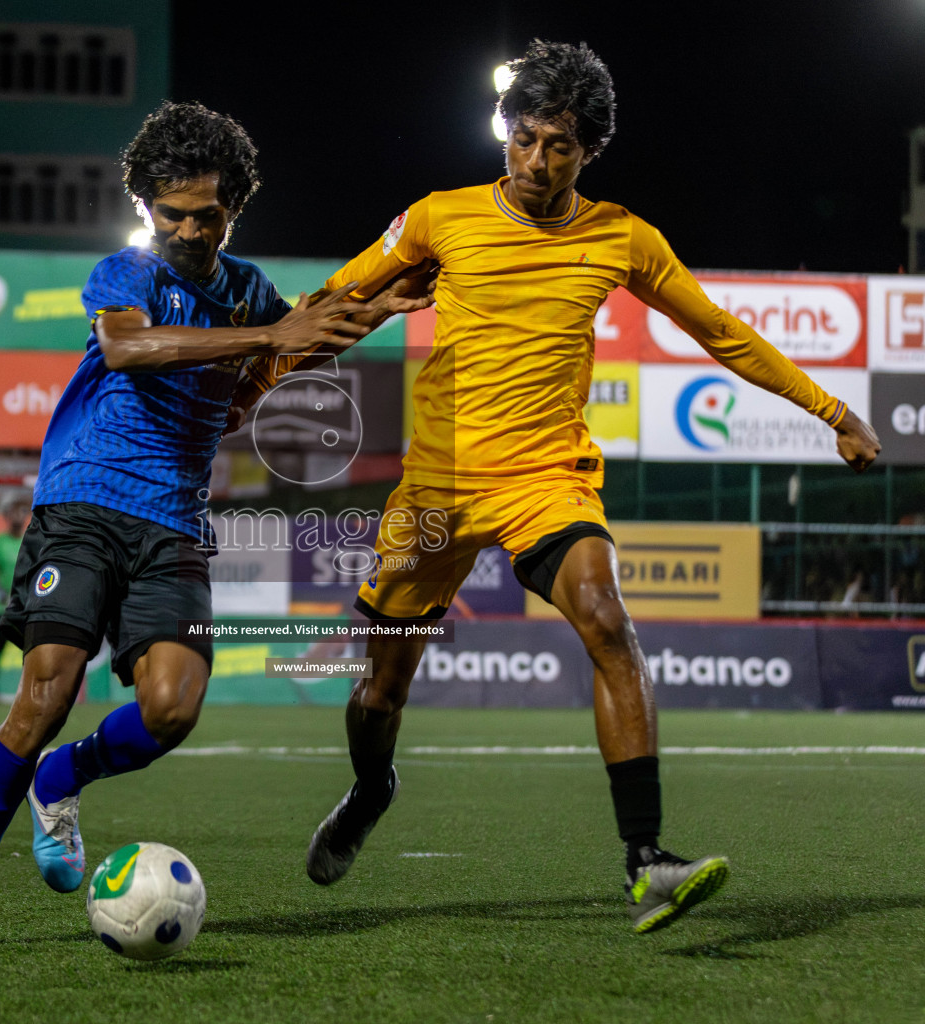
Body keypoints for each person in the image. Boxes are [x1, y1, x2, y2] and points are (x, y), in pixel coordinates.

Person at [245, 40, 881, 934]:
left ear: (588, 153)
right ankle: (370, 787)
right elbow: (331, 301)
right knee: (381, 688)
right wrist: (258, 370)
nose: (540, 162)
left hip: (547, 478)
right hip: (436, 488)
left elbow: (721, 332)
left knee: (608, 620)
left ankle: (647, 860)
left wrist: (830, 410)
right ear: (505, 134)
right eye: (528, 139)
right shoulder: (437, 219)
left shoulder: (620, 237)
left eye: (563, 147)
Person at [0, 100, 432, 950]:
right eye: (171, 212)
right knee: (46, 691)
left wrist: (371, 309)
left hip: (173, 523)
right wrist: (274, 330)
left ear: (235, 208)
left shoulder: (249, 290)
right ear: (147, 206)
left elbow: (266, 371)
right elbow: (127, 350)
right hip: (82, 502)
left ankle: (64, 777)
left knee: (171, 711)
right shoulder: (129, 273)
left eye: (207, 213)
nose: (187, 228)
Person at [0, 494, 29, 702]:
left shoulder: (29, 542)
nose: (17, 516)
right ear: (6, 516)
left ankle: (29, 691)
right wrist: (0, 591)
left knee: (31, 650)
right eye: (13, 511)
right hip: (1, 606)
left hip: (24, 606)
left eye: (21, 511)